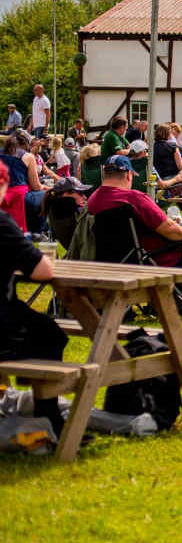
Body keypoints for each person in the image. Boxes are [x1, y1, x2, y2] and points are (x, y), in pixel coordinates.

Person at [0, 160, 67, 438]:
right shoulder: (2, 224)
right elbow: (43, 270)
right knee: (50, 334)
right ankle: (48, 414)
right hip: (2, 330)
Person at [86, 155, 182, 275]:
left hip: (113, 263)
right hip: (157, 260)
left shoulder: (92, 201)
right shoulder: (133, 199)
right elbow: (169, 229)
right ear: (128, 175)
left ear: (104, 173)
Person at [0, 132, 44, 232]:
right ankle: (39, 232)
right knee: (45, 196)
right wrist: (46, 188)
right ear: (26, 144)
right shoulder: (28, 156)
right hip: (18, 195)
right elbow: (36, 186)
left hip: (2, 193)